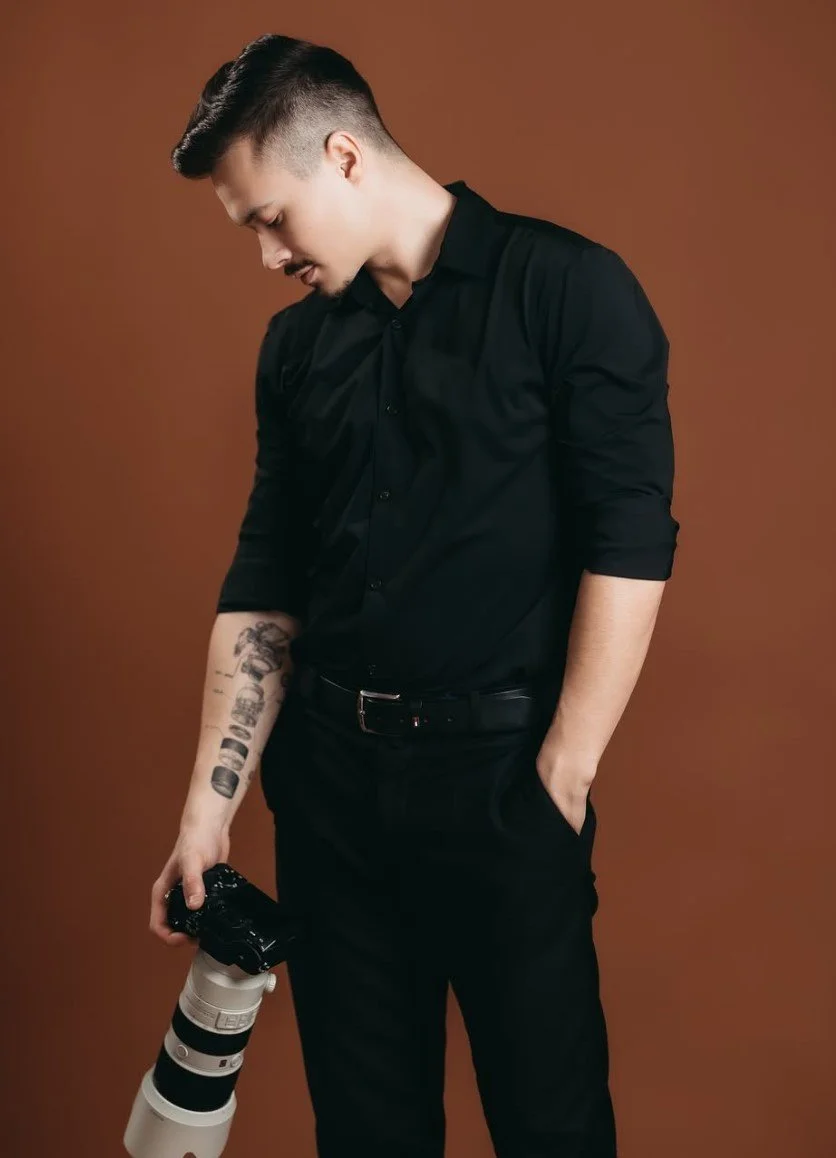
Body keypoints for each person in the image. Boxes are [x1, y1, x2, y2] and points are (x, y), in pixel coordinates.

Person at [149, 32, 680, 1158]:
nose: (264, 256)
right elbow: (266, 578)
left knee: (551, 1130)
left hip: (504, 792)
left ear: (342, 155)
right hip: (332, 799)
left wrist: (560, 779)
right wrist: (209, 807)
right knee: (367, 1136)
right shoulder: (294, 351)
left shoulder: (569, 291)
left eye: (268, 220)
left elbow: (628, 544)